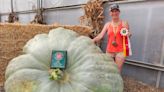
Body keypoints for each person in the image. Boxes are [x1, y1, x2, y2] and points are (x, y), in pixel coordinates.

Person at [93, 4, 132, 72]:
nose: (114, 13)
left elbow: (127, 35)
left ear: (119, 12)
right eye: (112, 11)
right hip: (109, 50)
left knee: (117, 71)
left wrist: (129, 34)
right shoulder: (107, 24)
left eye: (116, 11)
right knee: (108, 69)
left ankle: (117, 82)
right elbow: (101, 35)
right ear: (110, 13)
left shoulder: (124, 23)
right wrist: (92, 40)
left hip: (121, 51)